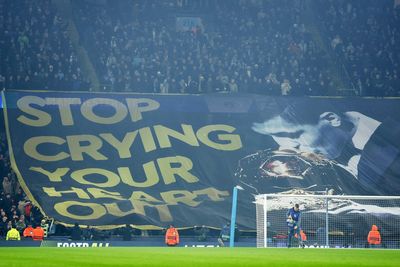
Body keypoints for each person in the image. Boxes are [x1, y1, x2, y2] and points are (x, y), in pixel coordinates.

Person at [252, 102, 400, 195]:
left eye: (297, 140)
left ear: (332, 119)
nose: (298, 152)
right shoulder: (334, 166)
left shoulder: (392, 134)